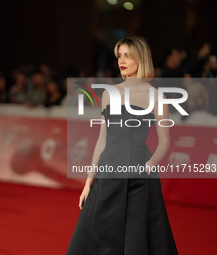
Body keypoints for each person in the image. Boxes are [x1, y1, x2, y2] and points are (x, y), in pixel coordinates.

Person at [66, 36, 178, 255]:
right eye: (119, 56)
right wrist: (89, 182)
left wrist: (150, 164)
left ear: (141, 59)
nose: (121, 61)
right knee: (97, 234)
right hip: (108, 171)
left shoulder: (157, 96)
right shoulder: (109, 94)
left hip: (140, 174)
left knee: (135, 237)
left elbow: (165, 141)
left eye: (127, 55)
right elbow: (102, 140)